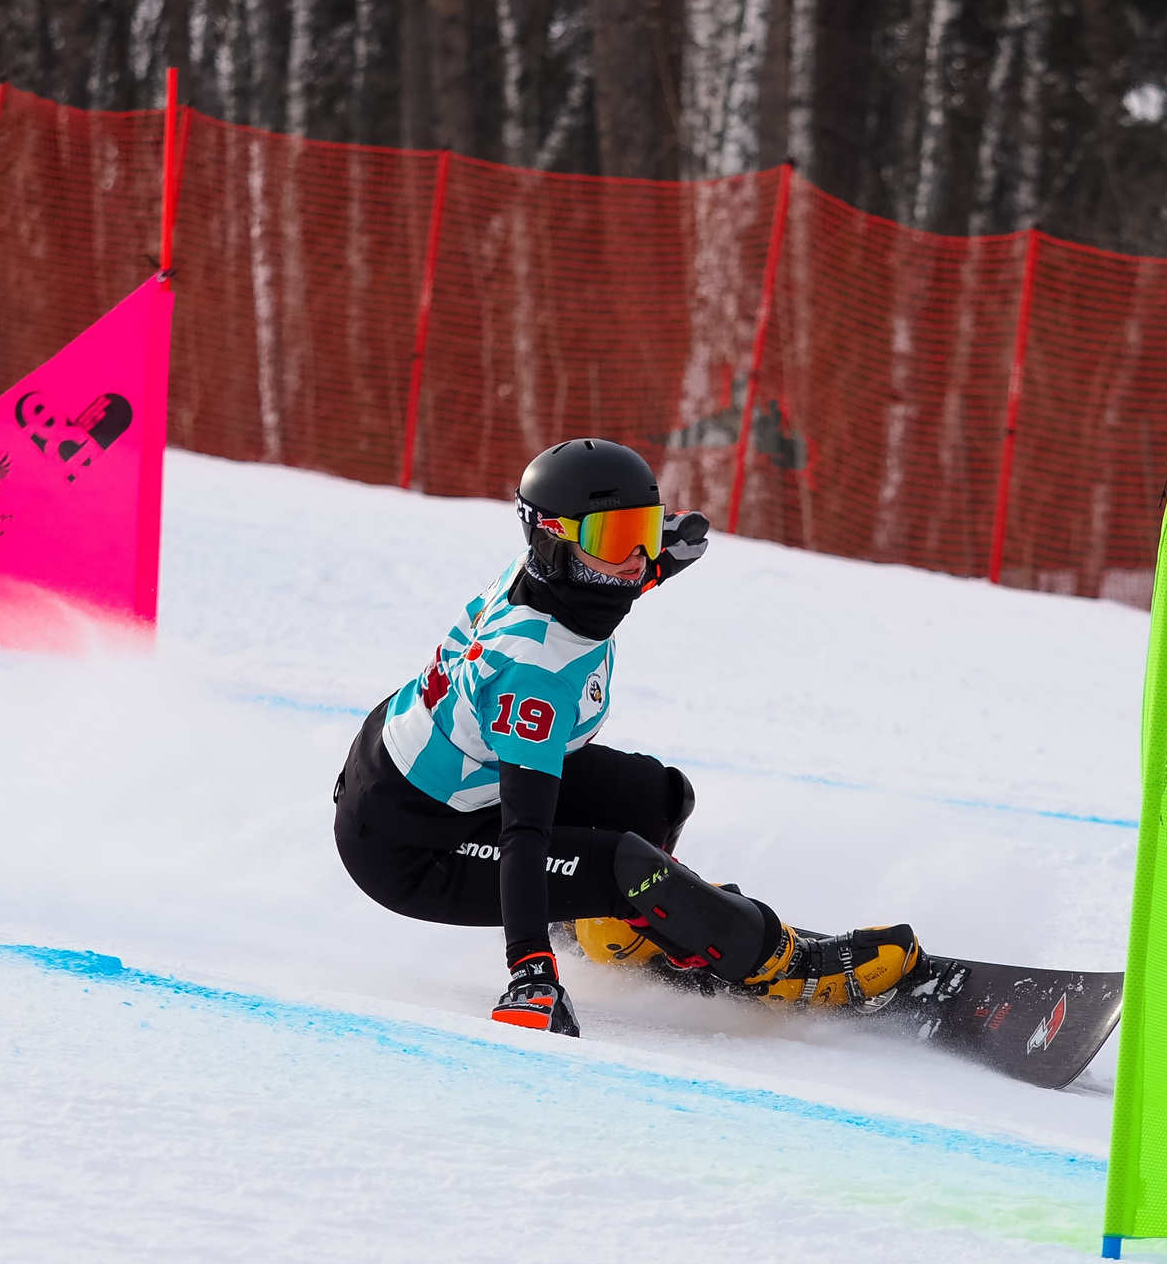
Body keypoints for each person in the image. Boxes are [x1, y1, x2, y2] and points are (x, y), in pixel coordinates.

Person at [332, 437, 923, 1036]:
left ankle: (617, 925)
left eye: (642, 530)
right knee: (627, 868)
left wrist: (665, 558)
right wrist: (531, 972)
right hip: (412, 847)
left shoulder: (556, 575)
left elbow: (604, 579)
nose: (636, 560)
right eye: (616, 541)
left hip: (432, 780)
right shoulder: (534, 673)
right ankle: (786, 967)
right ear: (555, 539)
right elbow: (524, 833)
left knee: (654, 797)